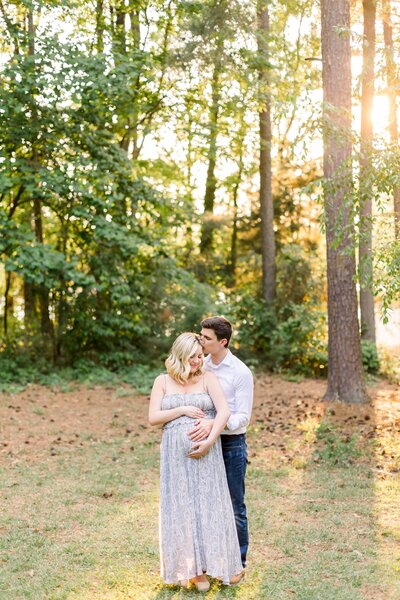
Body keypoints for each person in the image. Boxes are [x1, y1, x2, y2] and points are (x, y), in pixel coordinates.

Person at [148, 332, 243, 592]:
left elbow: (223, 411)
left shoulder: (208, 379)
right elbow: (153, 417)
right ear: (179, 355)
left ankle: (208, 566)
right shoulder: (162, 381)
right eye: (193, 357)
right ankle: (190, 569)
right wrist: (181, 410)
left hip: (205, 455)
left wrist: (210, 440)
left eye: (201, 356)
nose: (198, 361)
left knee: (207, 506)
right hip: (175, 457)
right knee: (181, 507)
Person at [188, 316, 253, 580]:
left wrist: (215, 426)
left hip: (230, 445)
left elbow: (242, 418)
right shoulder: (199, 366)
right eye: (201, 335)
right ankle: (208, 560)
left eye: (206, 338)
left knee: (234, 505)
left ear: (222, 342)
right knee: (206, 503)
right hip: (204, 443)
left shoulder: (240, 373)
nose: (201, 341)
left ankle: (238, 563)